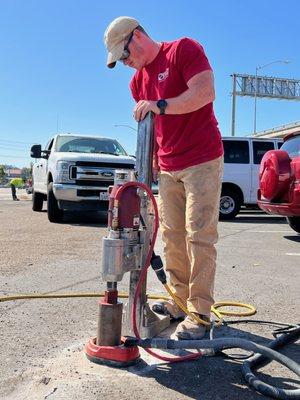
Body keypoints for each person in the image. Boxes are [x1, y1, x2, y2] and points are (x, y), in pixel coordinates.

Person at [104, 17, 224, 339]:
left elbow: (204, 92)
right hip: (169, 165)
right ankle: (178, 300)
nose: (125, 63)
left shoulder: (183, 50)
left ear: (137, 36)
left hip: (202, 158)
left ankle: (199, 313)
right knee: (171, 235)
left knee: (199, 234)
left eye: (124, 54)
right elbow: (155, 124)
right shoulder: (136, 83)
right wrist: (155, 159)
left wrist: (159, 104)